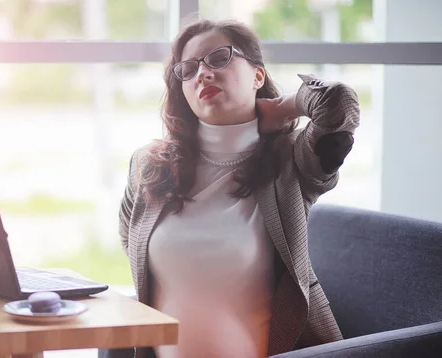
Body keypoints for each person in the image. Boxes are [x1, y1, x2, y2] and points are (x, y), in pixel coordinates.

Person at [115, 18, 360, 358]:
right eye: (187, 69)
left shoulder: (292, 160)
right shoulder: (150, 165)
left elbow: (338, 105)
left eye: (218, 58)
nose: (202, 73)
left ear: (257, 75)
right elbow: (132, 241)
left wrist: (282, 108)